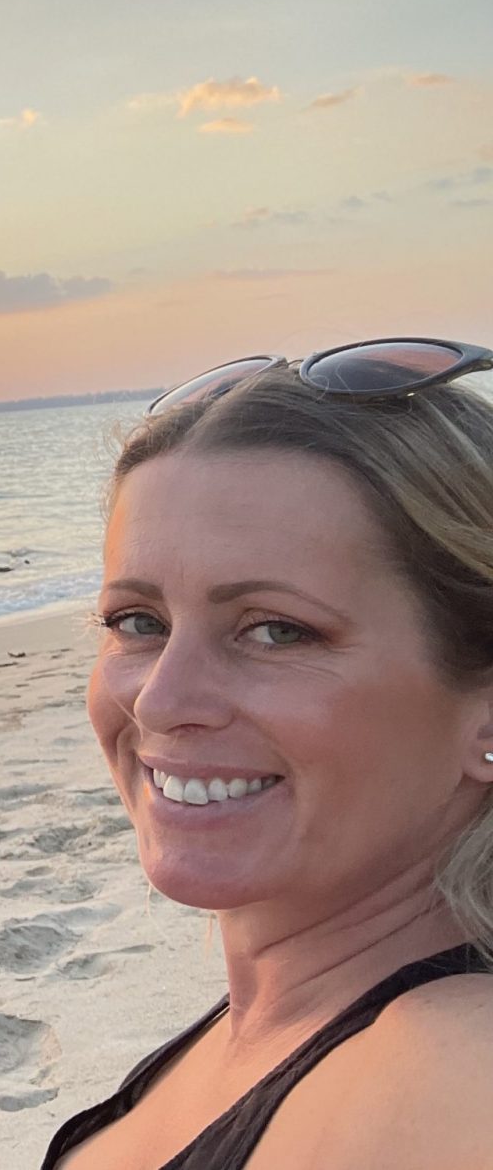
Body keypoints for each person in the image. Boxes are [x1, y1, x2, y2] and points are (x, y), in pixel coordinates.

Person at [43, 338, 493, 1169]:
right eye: (138, 622)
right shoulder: (284, 1012)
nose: (162, 702)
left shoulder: (455, 1077)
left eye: (276, 630)